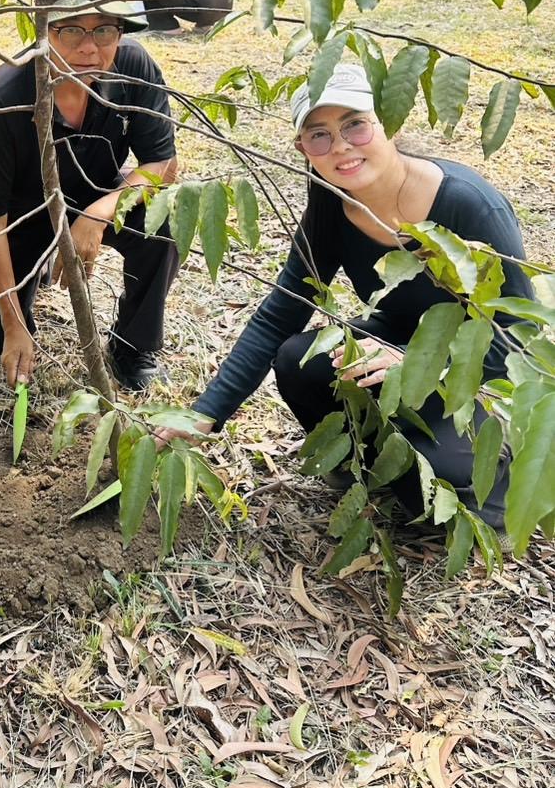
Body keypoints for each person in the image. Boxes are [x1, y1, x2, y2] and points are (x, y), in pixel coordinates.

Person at [163, 62, 530, 527]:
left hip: (474, 375)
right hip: (394, 348)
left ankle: (488, 493)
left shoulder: (467, 204)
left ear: (388, 123)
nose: (340, 146)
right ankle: (366, 465)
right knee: (301, 359)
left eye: (355, 124)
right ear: (302, 149)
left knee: (440, 489)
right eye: (319, 135)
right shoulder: (333, 205)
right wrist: (205, 414)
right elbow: (281, 314)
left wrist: (415, 365)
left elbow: (518, 333)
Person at [0, 0, 180, 391]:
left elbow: (161, 164)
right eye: (71, 28)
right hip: (18, 217)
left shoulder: (134, 66)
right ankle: (31, 272)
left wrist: (98, 213)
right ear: (43, 28)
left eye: (104, 29)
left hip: (95, 194)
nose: (89, 47)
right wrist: (13, 323)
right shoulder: (3, 99)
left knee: (163, 224)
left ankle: (133, 345)